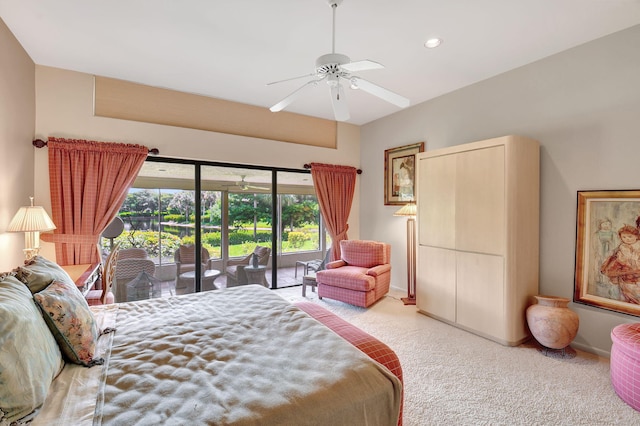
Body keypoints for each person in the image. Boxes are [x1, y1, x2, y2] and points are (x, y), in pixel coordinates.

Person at [601, 224, 640, 304]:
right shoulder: (621, 248)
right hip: (625, 277)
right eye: (624, 237)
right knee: (627, 297)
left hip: (636, 277)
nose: (627, 239)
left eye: (630, 236)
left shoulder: (638, 247)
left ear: (636, 236)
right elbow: (618, 263)